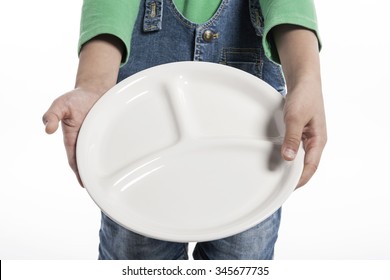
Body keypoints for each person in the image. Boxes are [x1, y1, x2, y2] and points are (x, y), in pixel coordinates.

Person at [42, 0, 327, 260]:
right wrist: (93, 83)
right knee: (137, 258)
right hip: (143, 111)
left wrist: (306, 79)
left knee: (242, 259)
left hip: (250, 117)